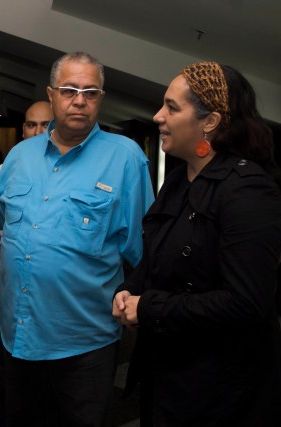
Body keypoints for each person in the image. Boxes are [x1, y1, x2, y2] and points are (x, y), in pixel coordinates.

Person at [113, 61, 281, 426]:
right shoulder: (177, 182)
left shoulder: (247, 190)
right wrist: (130, 289)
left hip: (219, 390)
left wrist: (149, 308)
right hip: (168, 376)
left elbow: (247, 301)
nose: (158, 116)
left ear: (211, 122)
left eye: (172, 108)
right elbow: (157, 258)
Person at [0, 51, 154, 426]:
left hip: (84, 344)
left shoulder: (126, 158)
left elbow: (144, 251)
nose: (79, 100)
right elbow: (5, 229)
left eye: (90, 92)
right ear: (51, 95)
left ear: (100, 98)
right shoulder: (19, 157)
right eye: (69, 90)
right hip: (17, 337)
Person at [0, 100, 52, 427]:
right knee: (8, 372)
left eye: (44, 124)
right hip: (10, 294)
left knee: (53, 378)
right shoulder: (2, 171)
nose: (37, 131)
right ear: (22, 128)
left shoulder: (67, 171)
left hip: (56, 300)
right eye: (30, 124)